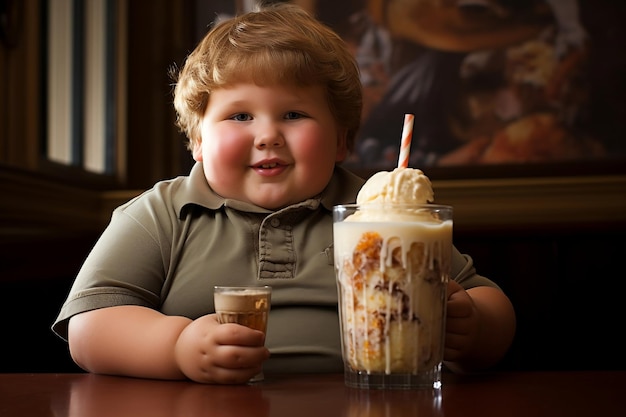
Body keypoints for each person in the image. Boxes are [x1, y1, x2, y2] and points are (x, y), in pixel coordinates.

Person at [52, 3, 516, 384]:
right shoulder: (162, 214)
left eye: (294, 114)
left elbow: (487, 299)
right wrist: (176, 347)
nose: (267, 135)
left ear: (341, 140)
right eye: (239, 116)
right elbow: (90, 327)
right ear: (196, 141)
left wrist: (472, 328)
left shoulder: (381, 213)